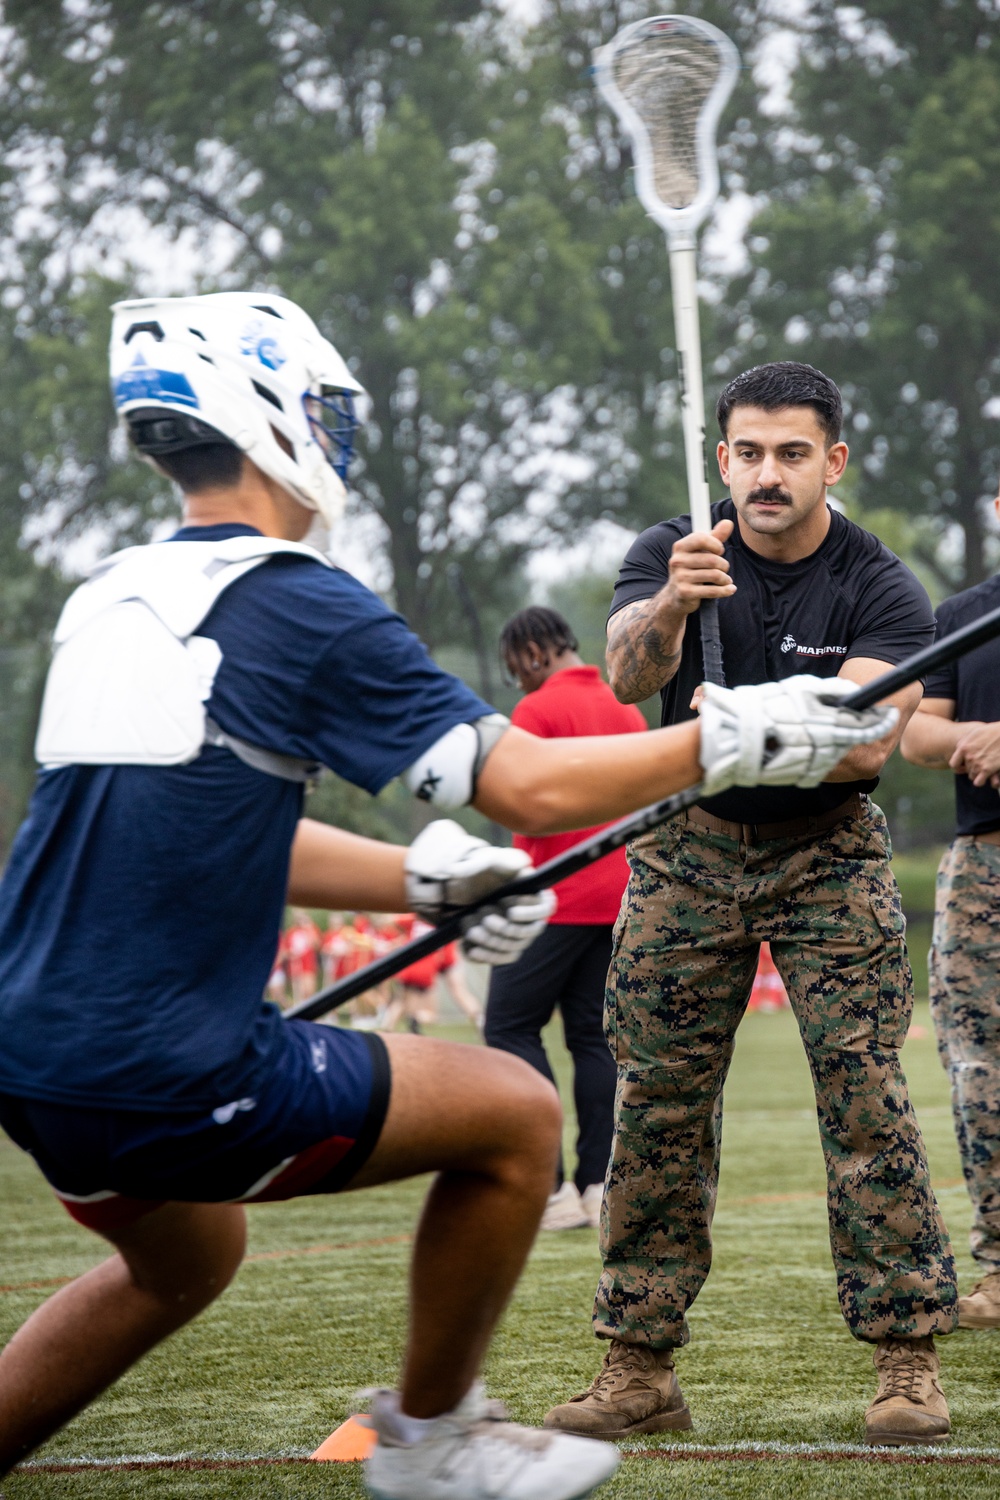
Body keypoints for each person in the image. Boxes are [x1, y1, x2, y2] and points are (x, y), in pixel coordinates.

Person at [0, 300, 895, 1496]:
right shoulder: (300, 599)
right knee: (516, 1110)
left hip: (30, 1051)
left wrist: (422, 879)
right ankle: (432, 1442)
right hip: (162, 1061)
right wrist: (728, 739)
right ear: (276, 421)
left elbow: (206, 831)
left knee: (185, 1260)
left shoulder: (102, 598)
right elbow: (522, 786)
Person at [544, 361, 958, 1449]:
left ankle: (905, 1358)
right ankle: (637, 1364)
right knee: (657, 1112)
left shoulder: (881, 585)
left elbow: (862, 744)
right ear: (718, 456)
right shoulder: (672, 549)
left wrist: (757, 728)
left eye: (789, 453)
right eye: (746, 453)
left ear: (833, 459)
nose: (764, 475)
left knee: (864, 1104)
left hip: (826, 857)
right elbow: (630, 680)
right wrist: (675, 604)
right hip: (684, 853)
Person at [485, 607, 646, 1233]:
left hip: (553, 896)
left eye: (514, 669)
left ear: (531, 652)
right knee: (592, 1038)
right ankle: (597, 1184)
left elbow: (524, 807)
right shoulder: (626, 708)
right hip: (616, 898)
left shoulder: (535, 712)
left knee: (509, 1029)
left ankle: (547, 1189)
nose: (517, 683)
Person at [900, 474, 1000, 1331]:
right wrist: (973, 736)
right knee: (980, 1075)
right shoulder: (964, 612)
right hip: (985, 870)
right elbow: (916, 731)